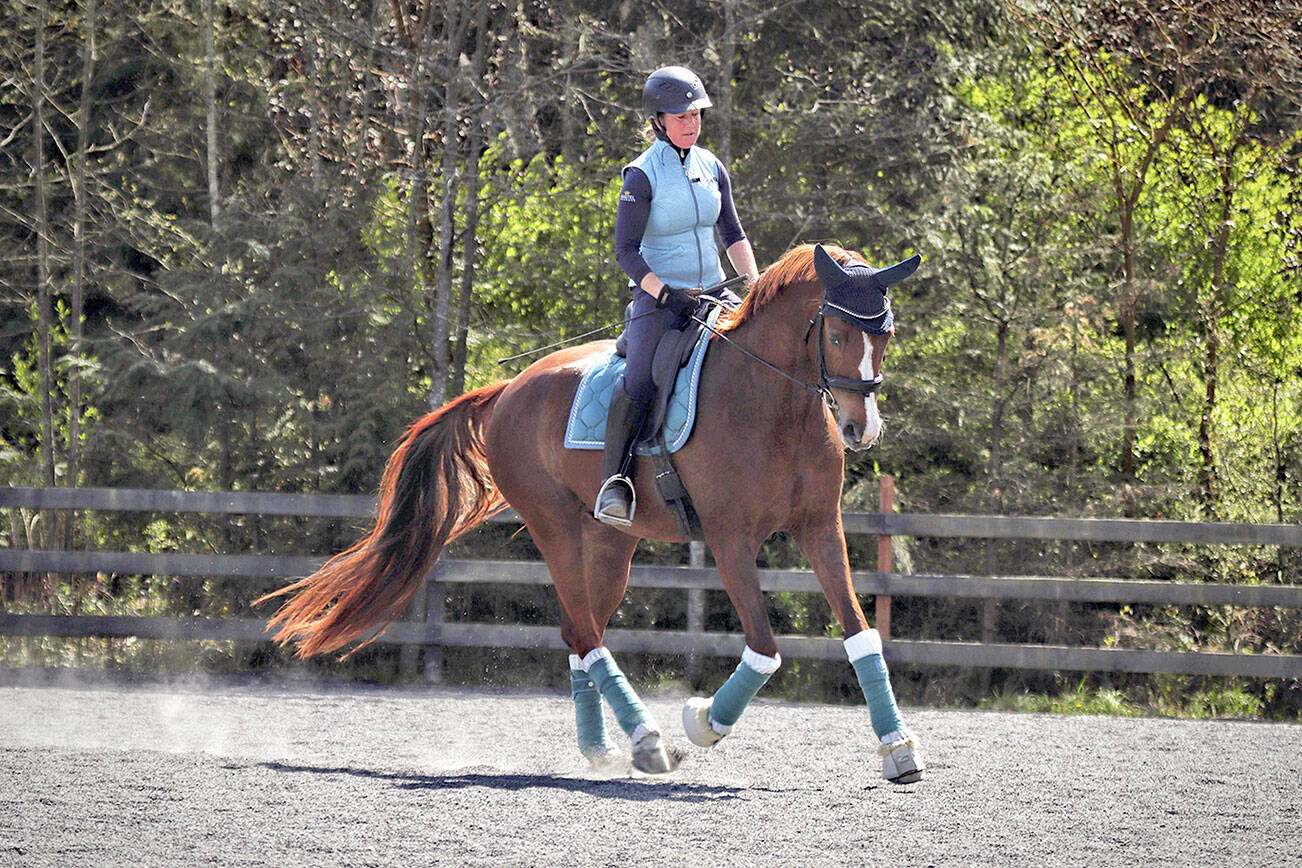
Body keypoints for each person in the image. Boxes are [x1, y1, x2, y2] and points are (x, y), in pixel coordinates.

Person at [594, 65, 760, 526]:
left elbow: (733, 232)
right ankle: (616, 482)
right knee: (642, 379)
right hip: (660, 299)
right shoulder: (641, 176)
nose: (691, 123)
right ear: (658, 120)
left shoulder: (712, 167)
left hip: (716, 293)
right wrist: (664, 293)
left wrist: (755, 283)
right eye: (681, 116)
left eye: (696, 114)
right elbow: (625, 252)